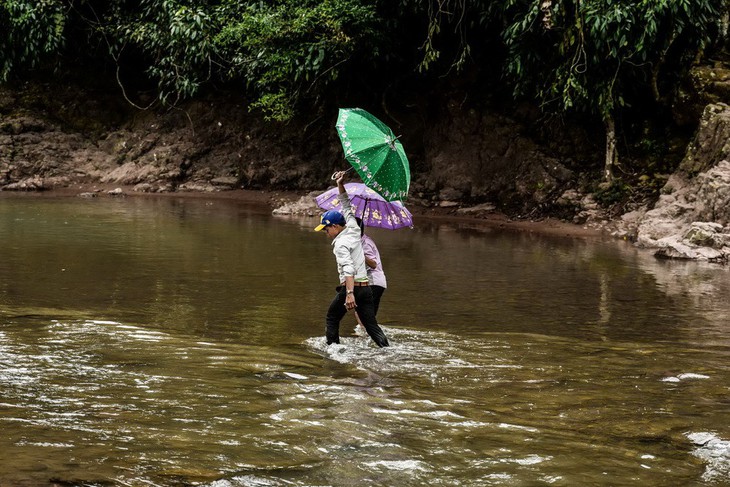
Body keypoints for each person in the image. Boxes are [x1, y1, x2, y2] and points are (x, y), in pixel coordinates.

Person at [314, 171, 389, 348]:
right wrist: (340, 184)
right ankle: (386, 349)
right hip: (366, 289)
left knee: (332, 317)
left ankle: (334, 351)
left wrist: (348, 294)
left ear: (335, 226)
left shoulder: (340, 243)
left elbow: (348, 268)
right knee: (371, 326)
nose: (326, 234)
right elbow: (346, 206)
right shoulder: (354, 228)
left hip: (353, 287)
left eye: (326, 230)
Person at [355, 216, 387, 318]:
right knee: (365, 314)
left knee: (363, 312)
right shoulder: (360, 242)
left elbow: (373, 264)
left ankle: (366, 332)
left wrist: (360, 254)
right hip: (373, 282)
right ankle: (366, 332)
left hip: (374, 282)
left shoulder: (365, 244)